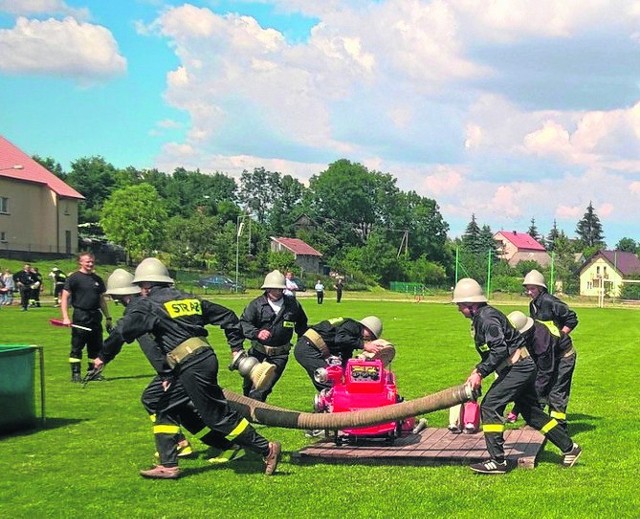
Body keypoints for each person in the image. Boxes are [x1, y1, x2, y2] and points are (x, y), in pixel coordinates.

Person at [94, 257, 280, 479]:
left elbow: (121, 332)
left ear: (145, 285)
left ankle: (266, 448)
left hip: (190, 365)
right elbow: (228, 316)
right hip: (201, 358)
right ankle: (169, 462)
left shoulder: (149, 305)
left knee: (217, 417)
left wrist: (102, 357)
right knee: (158, 401)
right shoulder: (187, 298)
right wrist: (235, 348)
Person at [452, 278, 581, 474]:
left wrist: (480, 372)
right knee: (531, 413)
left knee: (490, 406)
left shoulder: (487, 319)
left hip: (518, 368)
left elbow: (499, 350)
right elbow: (494, 353)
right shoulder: (484, 316)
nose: (458, 310)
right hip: (522, 367)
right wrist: (477, 371)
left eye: (460, 305)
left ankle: (498, 461)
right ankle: (570, 448)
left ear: (471, 304)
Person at [238, 270, 308, 402]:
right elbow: (244, 323)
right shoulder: (256, 304)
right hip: (257, 352)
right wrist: (257, 333)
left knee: (263, 387)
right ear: (267, 288)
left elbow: (302, 324)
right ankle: (246, 411)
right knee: (248, 387)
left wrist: (302, 341)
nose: (277, 292)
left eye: (280, 289)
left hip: (280, 355)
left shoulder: (293, 305)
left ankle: (255, 413)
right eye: (274, 289)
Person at [523, 269, 578, 432]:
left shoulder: (550, 301)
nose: (529, 292)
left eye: (532, 288)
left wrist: (559, 336)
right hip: (546, 352)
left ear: (541, 288)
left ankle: (559, 427)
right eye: (527, 288)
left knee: (557, 390)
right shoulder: (533, 305)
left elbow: (572, 318)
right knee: (542, 385)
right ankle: (539, 422)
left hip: (563, 354)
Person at [293, 316, 384, 392]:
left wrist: (348, 371)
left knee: (325, 380)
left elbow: (346, 354)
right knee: (329, 379)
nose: (368, 339)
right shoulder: (353, 326)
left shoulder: (352, 332)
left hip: (309, 347)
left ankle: (326, 408)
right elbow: (340, 339)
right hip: (308, 348)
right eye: (370, 335)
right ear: (366, 327)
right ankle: (338, 408)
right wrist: (363, 345)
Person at [61, 252, 112, 382]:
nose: (90, 264)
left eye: (92, 262)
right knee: (77, 347)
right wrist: (65, 317)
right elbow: (65, 297)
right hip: (81, 315)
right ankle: (76, 374)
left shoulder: (97, 279)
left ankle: (93, 372)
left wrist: (108, 317)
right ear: (80, 262)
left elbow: (101, 300)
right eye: (87, 261)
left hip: (95, 316)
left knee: (95, 347)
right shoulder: (74, 278)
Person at [506, 311, 559, 423]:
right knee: (530, 383)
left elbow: (545, 371)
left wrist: (534, 394)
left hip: (562, 357)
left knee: (554, 390)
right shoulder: (528, 331)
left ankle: (557, 426)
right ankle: (526, 412)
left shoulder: (541, 341)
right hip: (541, 355)